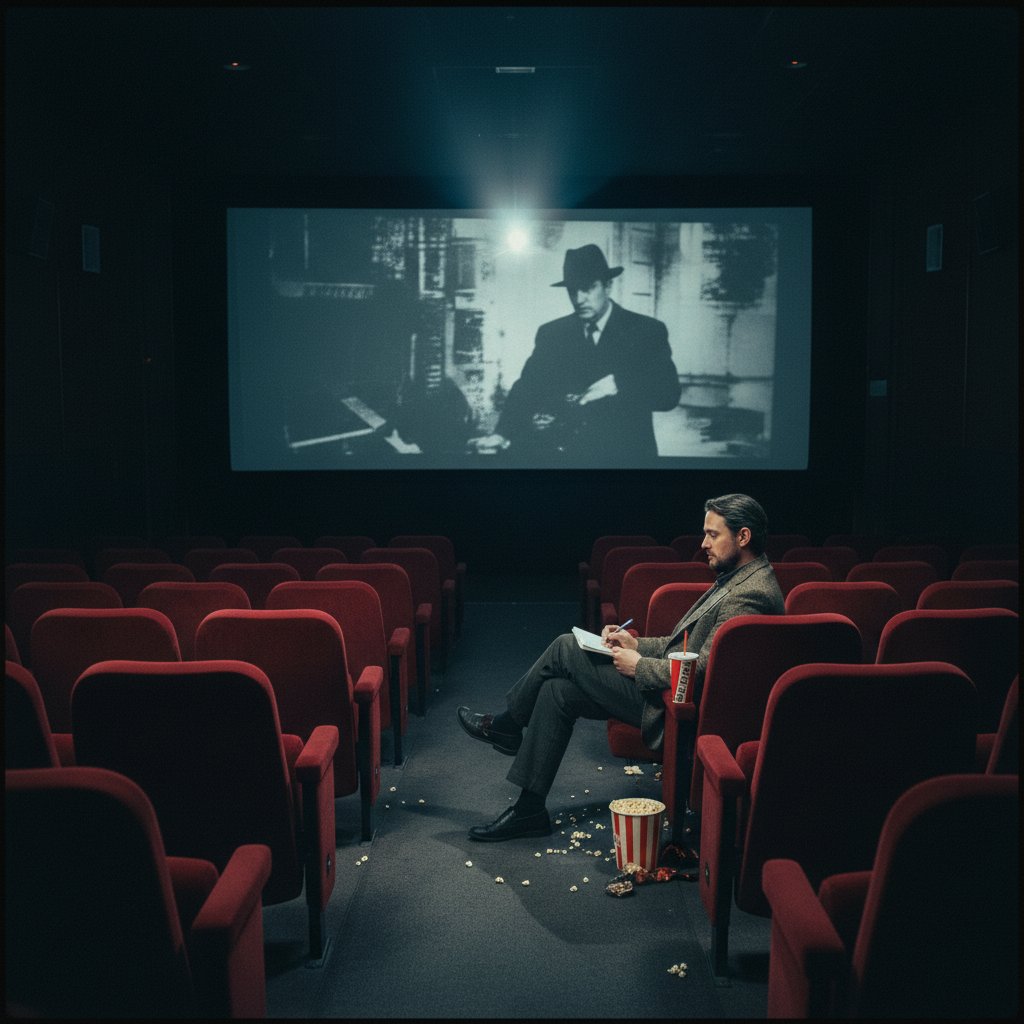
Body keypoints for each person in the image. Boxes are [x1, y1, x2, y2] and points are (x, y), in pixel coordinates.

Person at [457, 493, 785, 841]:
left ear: (743, 537)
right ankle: (529, 810)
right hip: (670, 691)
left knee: (566, 647)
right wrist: (634, 643)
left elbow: (705, 673)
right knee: (557, 692)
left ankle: (507, 724)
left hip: (680, 710)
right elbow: (683, 647)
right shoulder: (740, 578)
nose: (703, 543)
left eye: (712, 534)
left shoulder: (751, 595)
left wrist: (639, 665)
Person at [467, 244, 681, 462]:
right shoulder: (552, 333)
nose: (579, 299)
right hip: (569, 458)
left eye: (588, 288)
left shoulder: (646, 330)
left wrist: (618, 384)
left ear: (608, 286)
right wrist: (501, 433)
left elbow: (669, 394)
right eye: (572, 291)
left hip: (625, 456)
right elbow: (526, 388)